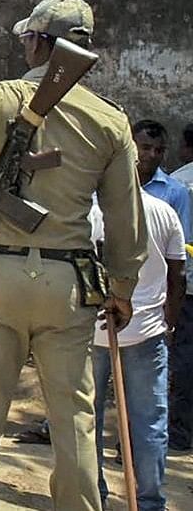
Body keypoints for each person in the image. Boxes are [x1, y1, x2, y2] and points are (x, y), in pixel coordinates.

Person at [0, 0, 147, 511]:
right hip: (68, 282)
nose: (24, 43)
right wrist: (122, 288)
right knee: (74, 414)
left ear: (42, 42)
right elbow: (124, 219)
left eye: (29, 36)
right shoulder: (111, 120)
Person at [89, 190, 184, 511]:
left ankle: (95, 497)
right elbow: (178, 275)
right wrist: (169, 323)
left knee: (88, 420)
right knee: (150, 423)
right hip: (144, 332)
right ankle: (149, 504)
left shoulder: (87, 209)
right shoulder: (164, 211)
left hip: (96, 332)